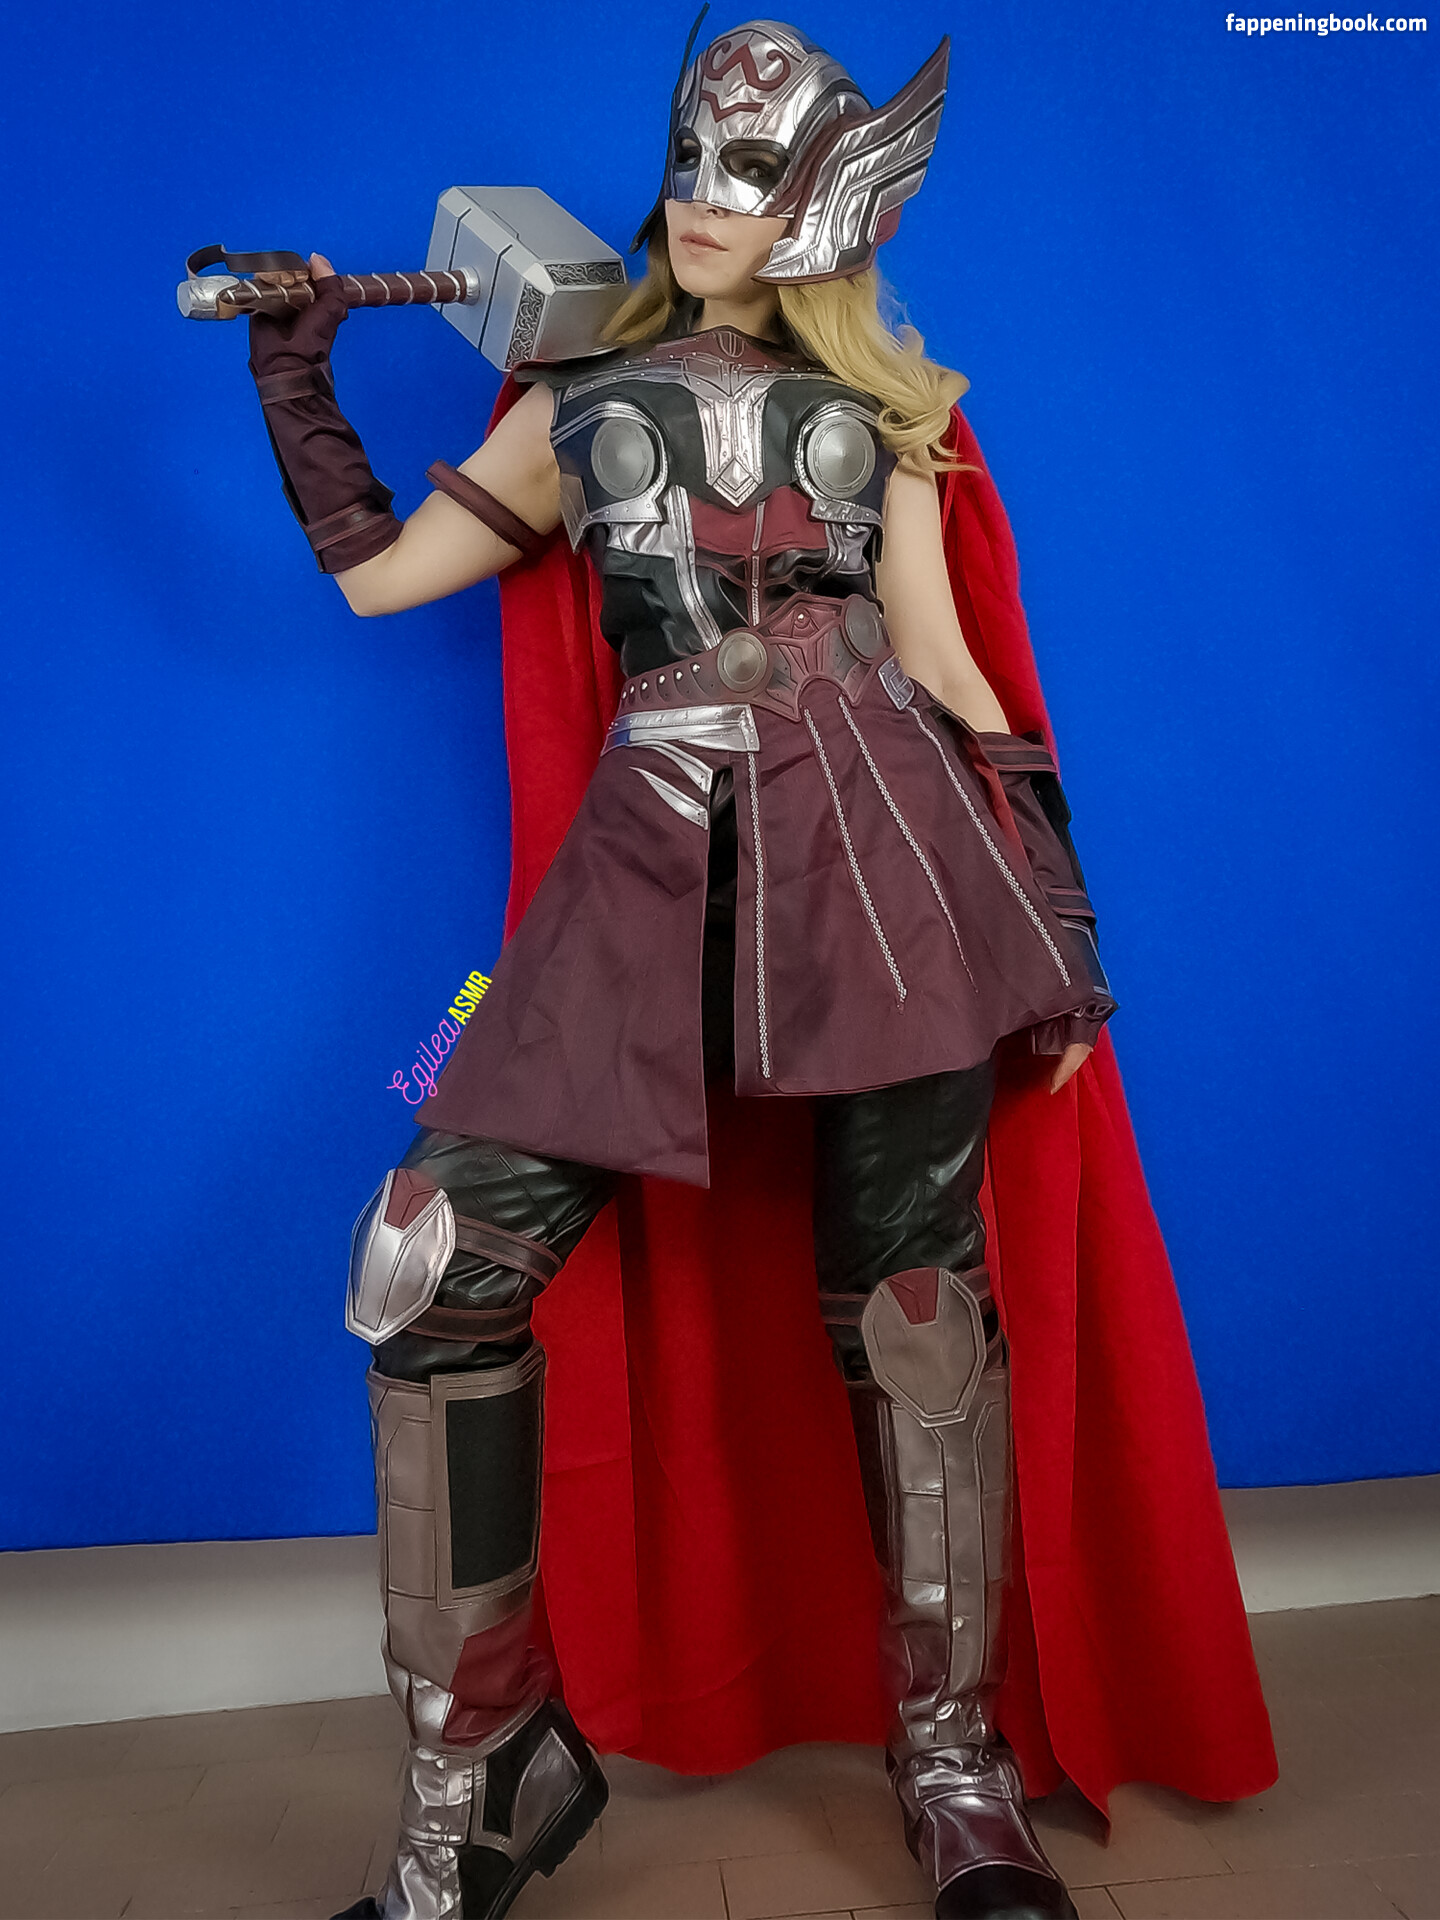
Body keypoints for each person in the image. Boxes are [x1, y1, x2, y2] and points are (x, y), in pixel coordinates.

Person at [236, 19, 1274, 1920]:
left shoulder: (889, 409)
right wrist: (294, 374)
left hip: (893, 878)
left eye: (755, 172)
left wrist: (1061, 935)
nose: (707, 202)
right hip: (634, 873)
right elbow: (379, 578)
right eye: (692, 162)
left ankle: (953, 1765)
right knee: (427, 1262)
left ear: (831, 203)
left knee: (915, 1306)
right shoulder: (578, 400)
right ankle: (490, 1777)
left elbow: (946, 669)